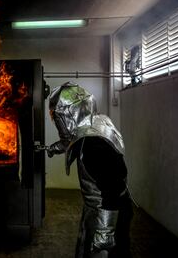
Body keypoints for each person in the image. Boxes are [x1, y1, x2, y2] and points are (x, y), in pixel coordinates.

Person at [46, 81, 133, 258]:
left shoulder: (94, 146)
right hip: (111, 206)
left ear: (69, 115)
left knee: (103, 253)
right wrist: (57, 148)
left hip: (107, 210)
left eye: (56, 117)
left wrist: (105, 232)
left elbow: (113, 186)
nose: (55, 121)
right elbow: (75, 137)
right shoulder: (98, 121)